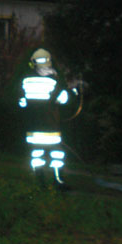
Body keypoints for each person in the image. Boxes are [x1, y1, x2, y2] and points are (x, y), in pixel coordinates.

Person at [18, 48, 77, 189]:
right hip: (51, 129)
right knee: (57, 154)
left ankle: (39, 183)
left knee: (36, 155)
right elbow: (64, 100)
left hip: (33, 130)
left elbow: (22, 103)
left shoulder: (26, 82)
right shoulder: (53, 83)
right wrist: (73, 89)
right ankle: (58, 181)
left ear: (33, 63)